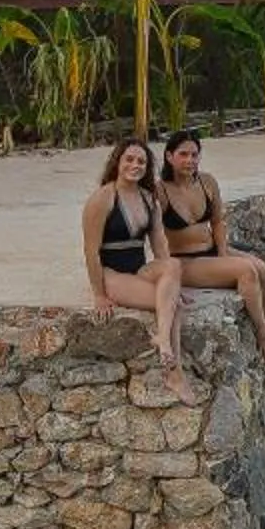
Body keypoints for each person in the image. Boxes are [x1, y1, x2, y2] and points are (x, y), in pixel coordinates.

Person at [158, 130, 265, 363]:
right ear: (169, 156)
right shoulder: (161, 191)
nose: (190, 160)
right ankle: (263, 333)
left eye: (194, 155)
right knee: (246, 271)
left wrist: (222, 252)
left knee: (263, 269)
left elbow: (217, 221)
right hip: (185, 260)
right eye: (183, 154)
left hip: (212, 251)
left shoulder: (207, 182)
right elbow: (155, 235)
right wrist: (167, 275)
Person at [82, 138, 184, 368]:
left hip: (138, 270)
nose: (135, 165)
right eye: (129, 159)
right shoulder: (102, 199)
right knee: (173, 306)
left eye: (141, 162)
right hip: (111, 275)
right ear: (117, 162)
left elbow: (159, 244)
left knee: (174, 266)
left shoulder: (149, 199)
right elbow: (90, 251)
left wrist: (173, 283)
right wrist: (99, 295)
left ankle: (163, 340)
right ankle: (173, 367)